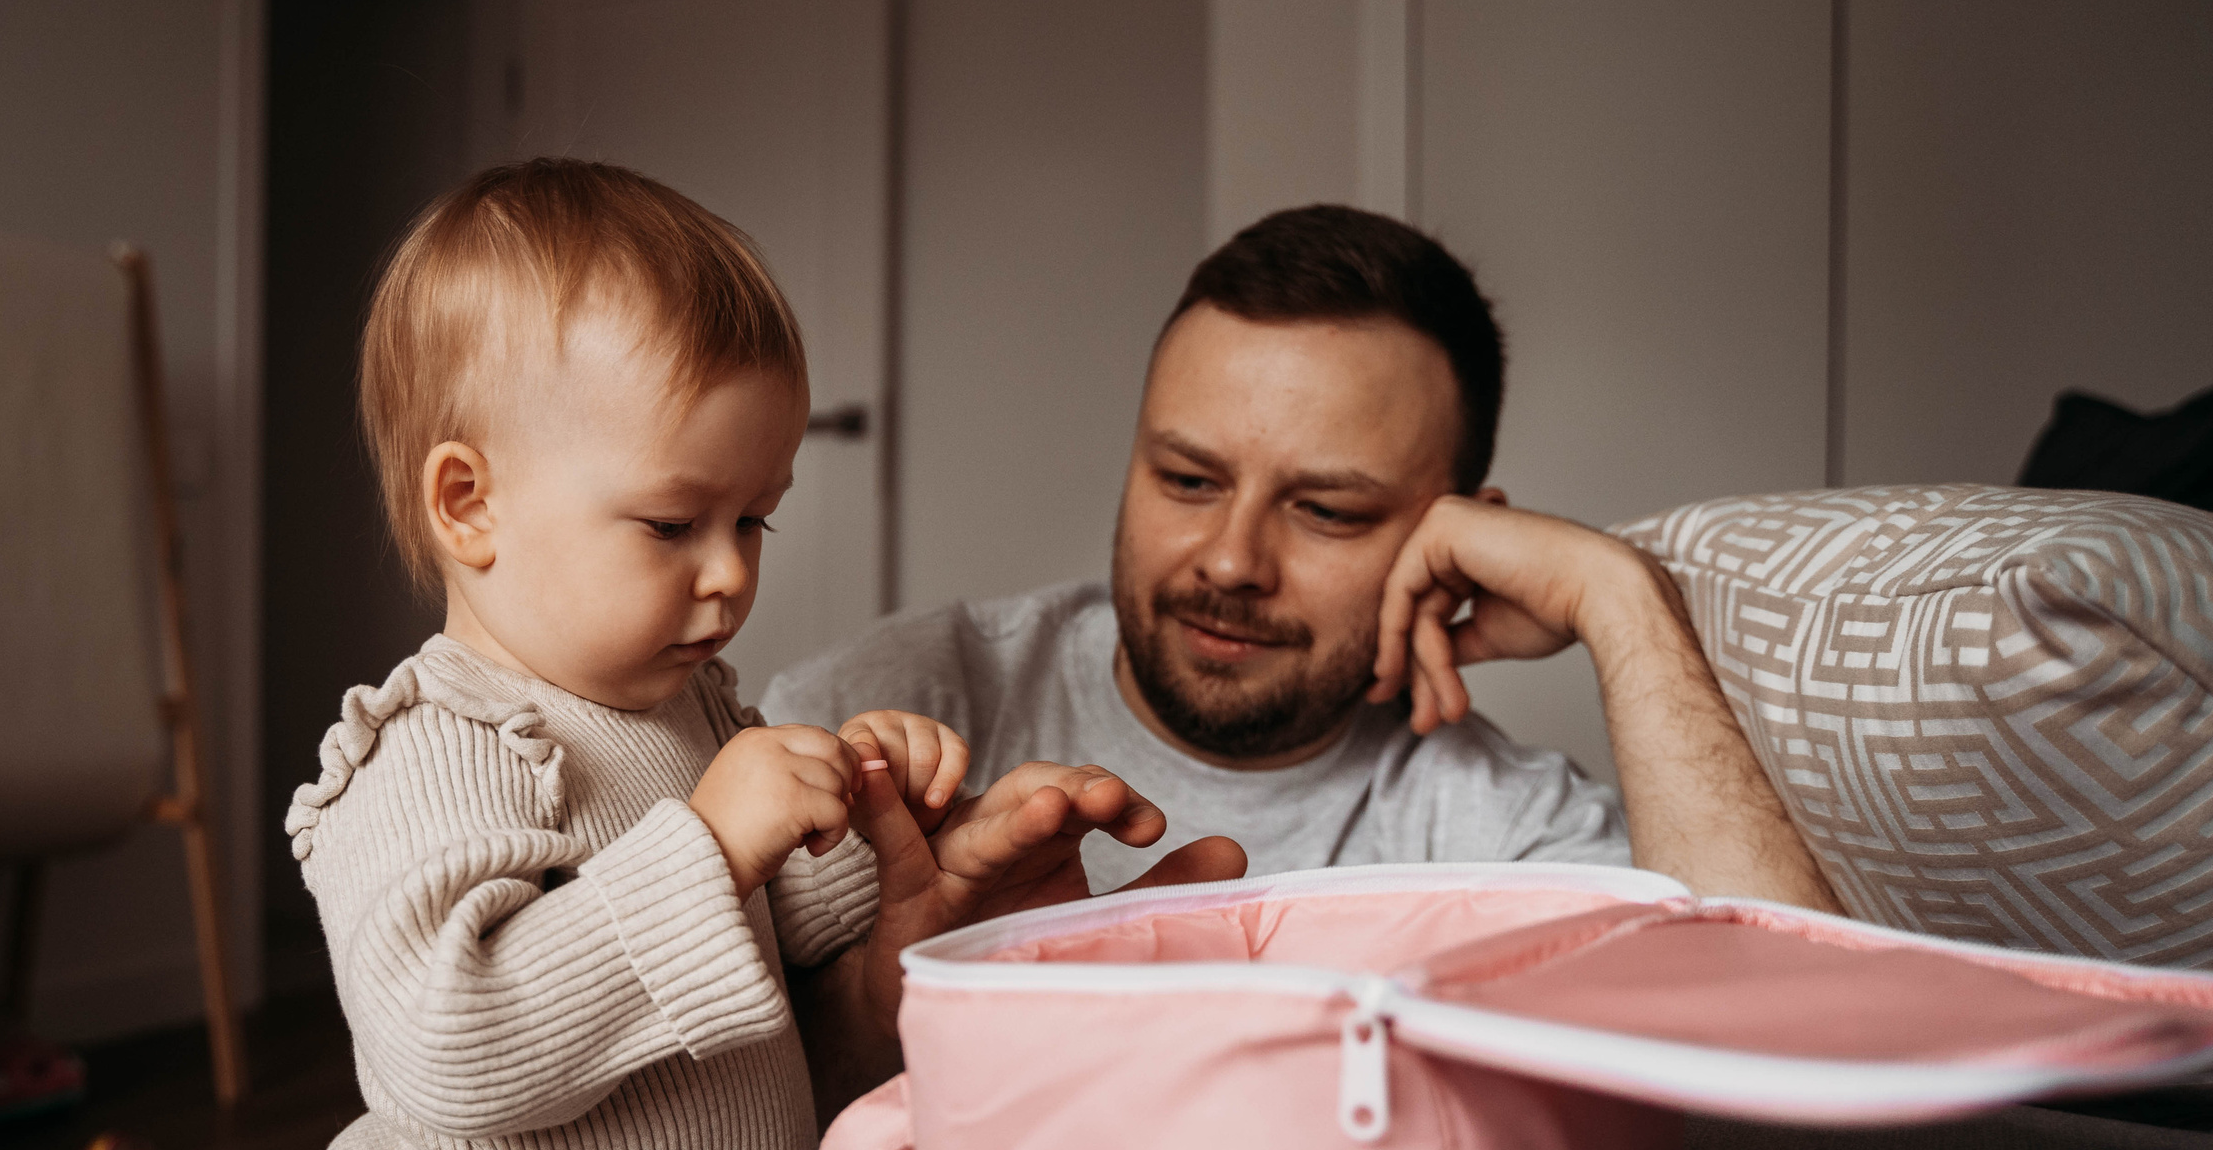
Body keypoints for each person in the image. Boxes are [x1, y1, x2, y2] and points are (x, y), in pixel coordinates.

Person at [284, 161, 1222, 1150]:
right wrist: (711, 842)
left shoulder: (694, 710)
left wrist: (890, 819)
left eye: (754, 518)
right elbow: (449, 1040)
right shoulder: (423, 749)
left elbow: (791, 952)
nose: (731, 572)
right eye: (674, 523)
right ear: (467, 502)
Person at [764, 205, 1839, 912]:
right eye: (1187, 481)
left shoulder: (1491, 829)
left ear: (1459, 539)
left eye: (1325, 510)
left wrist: (1622, 599)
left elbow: (1788, 1042)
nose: (1231, 561)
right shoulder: (892, 710)